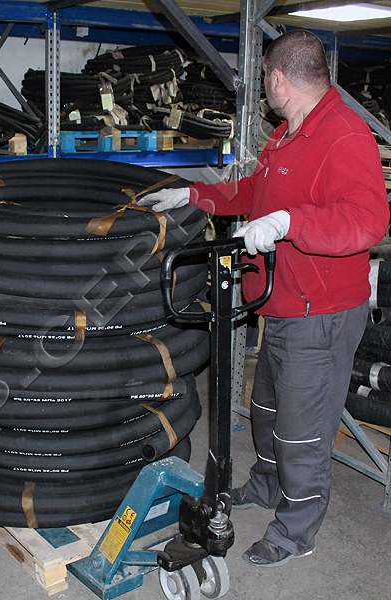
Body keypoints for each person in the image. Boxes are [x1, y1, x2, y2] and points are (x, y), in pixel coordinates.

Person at [140, 30, 389, 567]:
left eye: (263, 81)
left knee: (302, 429)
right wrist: (196, 194)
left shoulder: (344, 133)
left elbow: (368, 221)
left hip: (320, 314)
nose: (263, 90)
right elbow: (258, 191)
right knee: (268, 409)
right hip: (279, 305)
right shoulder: (287, 134)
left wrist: (289, 223)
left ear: (277, 78)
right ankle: (268, 484)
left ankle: (296, 532)